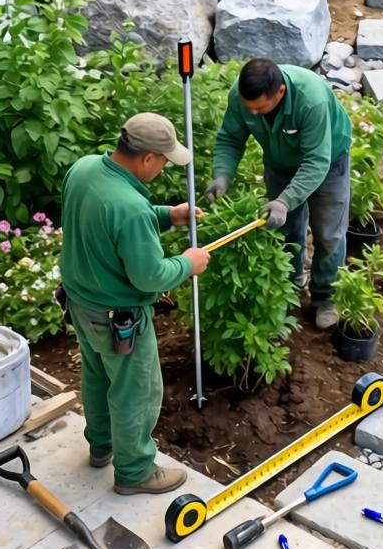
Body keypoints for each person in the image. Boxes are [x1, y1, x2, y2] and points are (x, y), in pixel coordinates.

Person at [60, 113, 210, 495]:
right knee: (135, 394)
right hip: (119, 319)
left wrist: (166, 215)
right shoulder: (128, 206)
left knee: (96, 378)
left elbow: (109, 225)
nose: (163, 168)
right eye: (163, 161)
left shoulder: (85, 169)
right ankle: (135, 472)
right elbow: (149, 276)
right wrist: (187, 264)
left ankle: (101, 447)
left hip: (81, 305)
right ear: (147, 159)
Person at [206, 59, 352, 331]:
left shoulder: (311, 99)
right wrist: (222, 174)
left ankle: (326, 298)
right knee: (284, 230)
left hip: (328, 161)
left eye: (260, 108)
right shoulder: (242, 96)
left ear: (281, 92)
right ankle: (290, 287)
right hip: (280, 163)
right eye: (250, 108)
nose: (254, 113)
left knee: (329, 232)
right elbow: (230, 138)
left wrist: (285, 200)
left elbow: (316, 162)